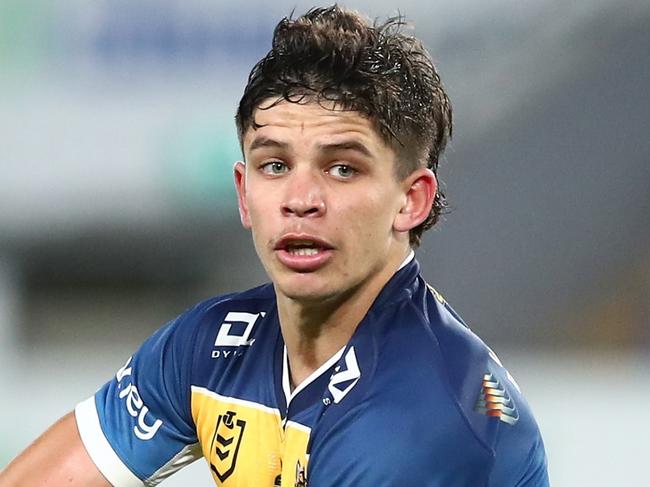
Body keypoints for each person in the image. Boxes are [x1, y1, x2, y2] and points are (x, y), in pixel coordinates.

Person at [0, 5, 549, 487]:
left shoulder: (429, 415)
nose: (301, 199)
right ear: (244, 192)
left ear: (411, 201)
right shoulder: (211, 347)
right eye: (275, 166)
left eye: (342, 168)